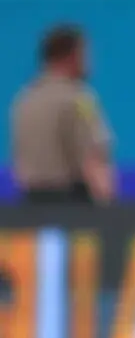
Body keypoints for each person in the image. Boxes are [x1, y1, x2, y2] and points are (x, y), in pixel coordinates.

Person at [9, 24, 116, 205]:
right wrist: (110, 213)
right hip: (74, 211)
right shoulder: (78, 99)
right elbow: (92, 158)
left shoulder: (24, 101)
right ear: (73, 56)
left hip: (30, 210)